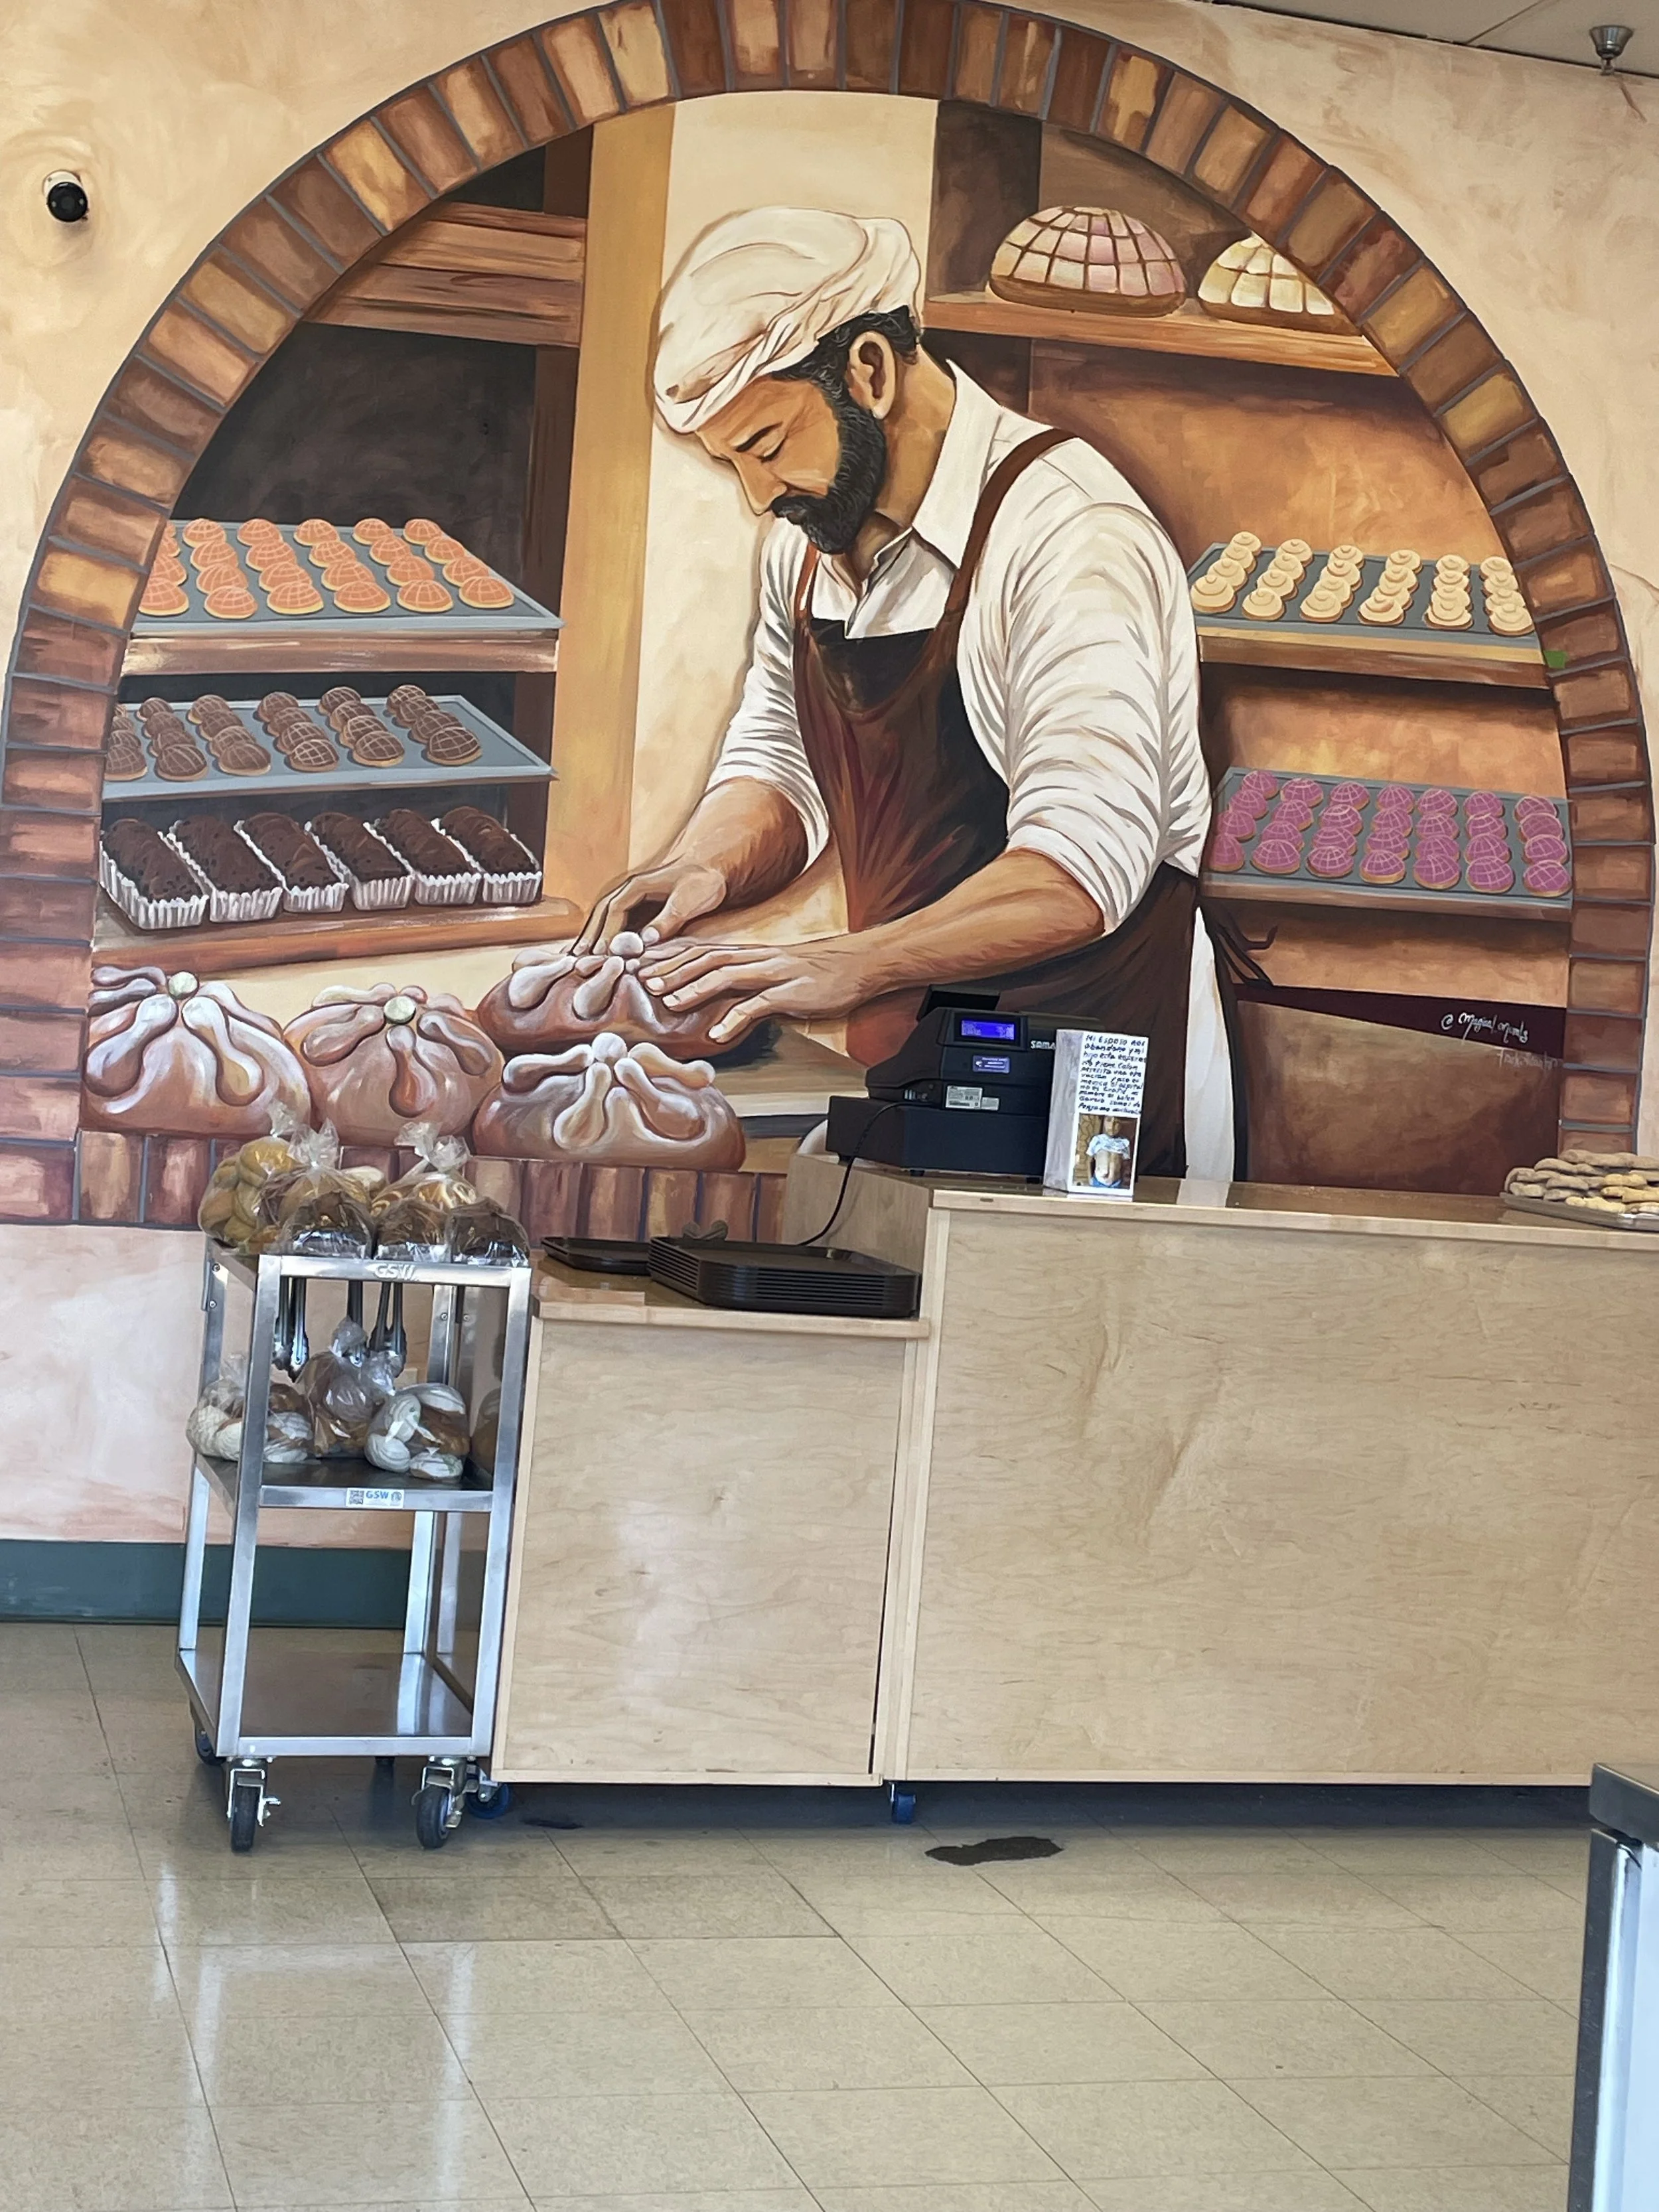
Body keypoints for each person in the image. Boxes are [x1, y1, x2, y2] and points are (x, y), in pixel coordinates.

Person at [577, 206, 1236, 1179]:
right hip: (916, 1065)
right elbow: (778, 767)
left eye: (766, 444)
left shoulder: (1071, 534)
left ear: (871, 372)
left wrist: (840, 963)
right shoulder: (804, 553)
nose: (760, 495)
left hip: (1096, 1084)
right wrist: (701, 868)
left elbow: (1079, 869)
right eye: (734, 466)